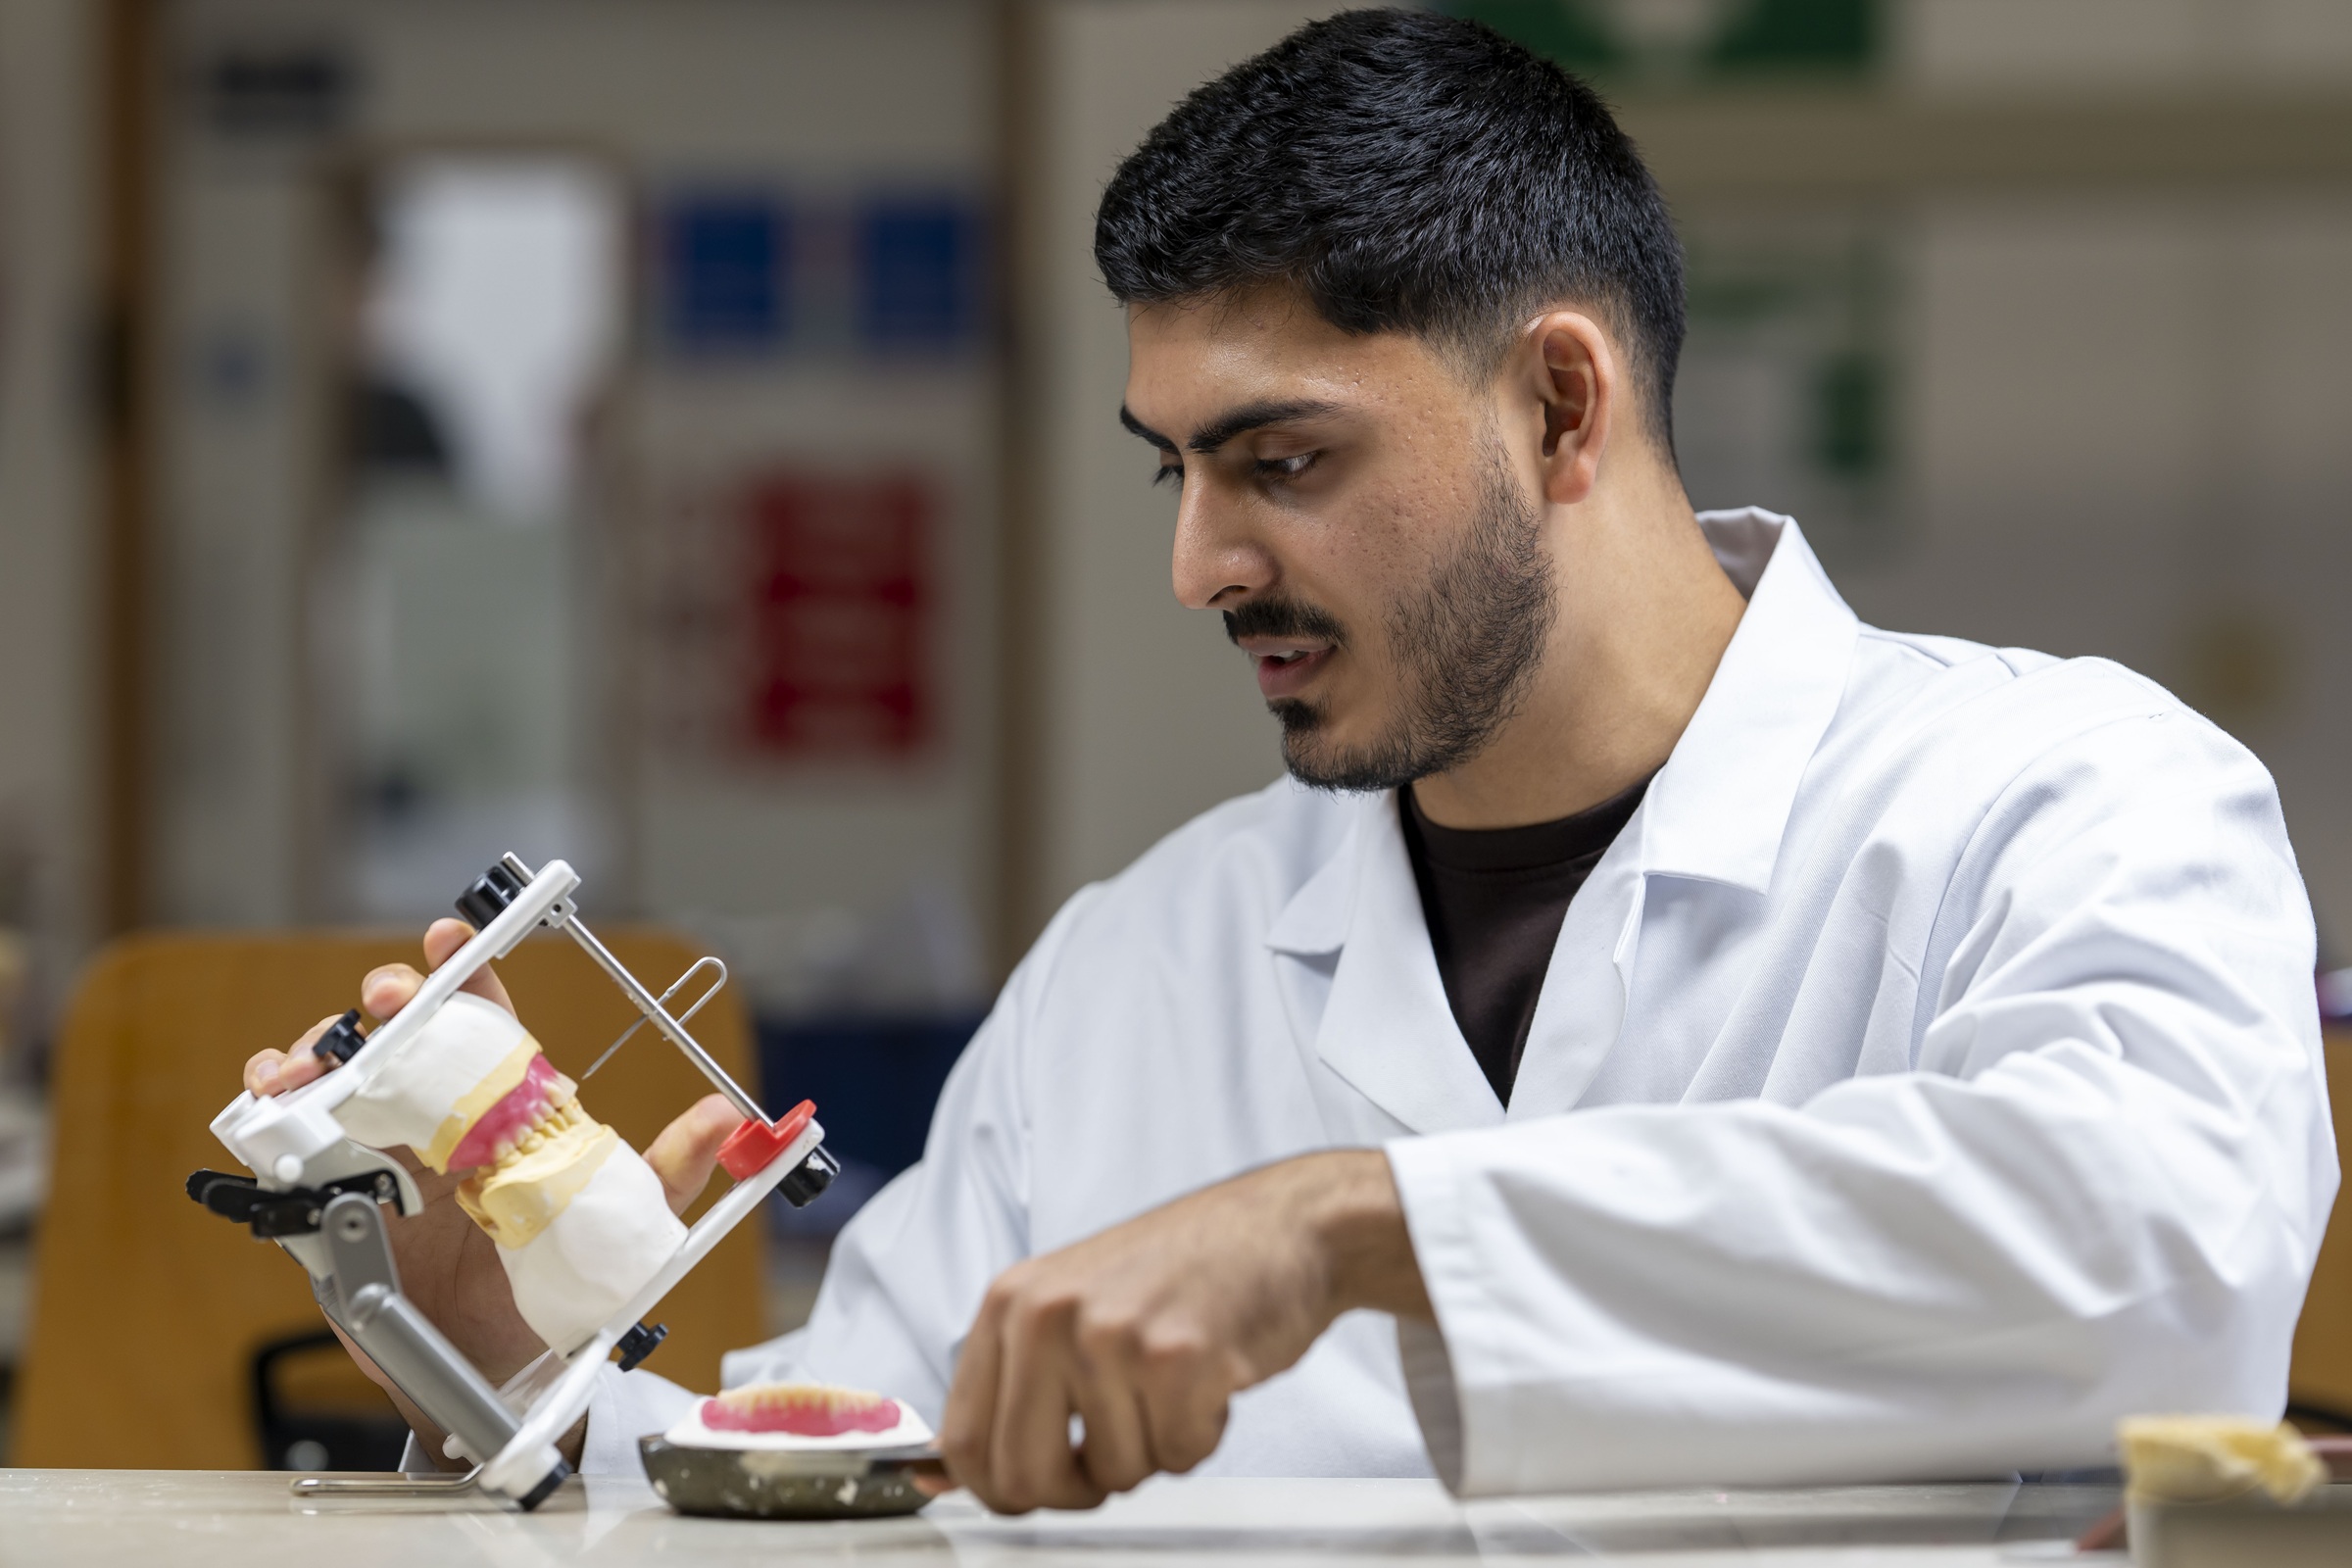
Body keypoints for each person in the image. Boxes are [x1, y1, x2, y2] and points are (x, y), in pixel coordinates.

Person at [244, 10, 2335, 1515]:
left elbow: (2168, 1266)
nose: (1196, 560)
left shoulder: (2056, 798)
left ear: (1561, 406)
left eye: (1282, 460)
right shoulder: (1144, 963)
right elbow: (854, 1459)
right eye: (1174, 467)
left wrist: (1357, 1223)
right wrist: (503, 1356)